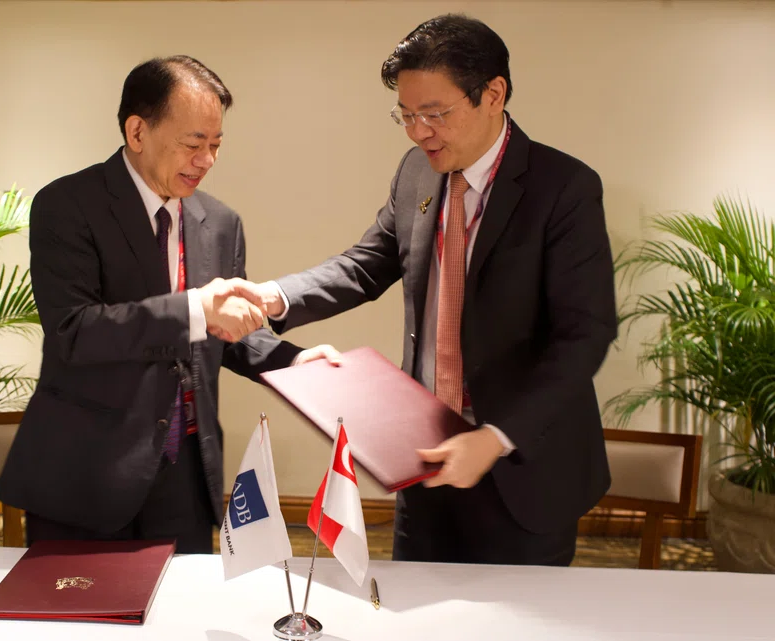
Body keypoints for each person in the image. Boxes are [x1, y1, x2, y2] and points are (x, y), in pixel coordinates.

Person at [242, 14, 618, 566]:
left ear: (494, 94)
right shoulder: (417, 172)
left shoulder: (563, 188)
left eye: (434, 114)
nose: (419, 132)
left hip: (522, 465)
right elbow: (367, 263)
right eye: (406, 115)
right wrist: (273, 296)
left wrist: (495, 436)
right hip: (421, 456)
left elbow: (584, 336)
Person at [0, 56, 336, 553]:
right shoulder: (68, 205)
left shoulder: (219, 222)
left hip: (185, 470)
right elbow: (74, 330)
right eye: (193, 144)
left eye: (216, 145)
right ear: (137, 131)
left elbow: (228, 329)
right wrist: (195, 309)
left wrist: (294, 361)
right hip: (88, 471)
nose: (207, 160)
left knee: (181, 619)